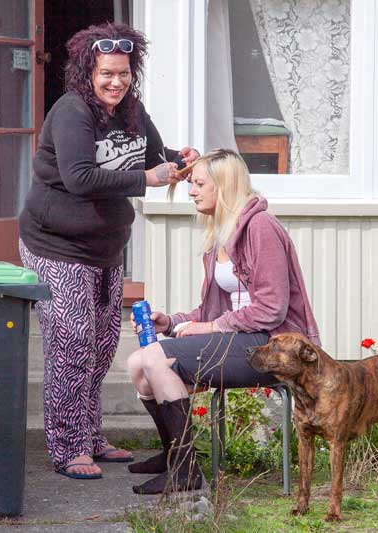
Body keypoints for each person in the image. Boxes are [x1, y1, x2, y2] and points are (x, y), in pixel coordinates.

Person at [18, 22, 199, 481]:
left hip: (105, 248)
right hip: (56, 245)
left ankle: (92, 435)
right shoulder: (72, 112)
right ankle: (67, 446)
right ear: (88, 72)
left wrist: (180, 159)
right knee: (72, 344)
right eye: (106, 74)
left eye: (122, 73)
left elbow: (154, 154)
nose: (115, 82)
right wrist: (146, 180)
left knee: (99, 347)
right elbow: (80, 177)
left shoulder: (132, 111)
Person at [126, 149, 320, 494]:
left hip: (273, 345)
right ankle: (174, 454)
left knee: (157, 359)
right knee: (138, 362)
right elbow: (211, 312)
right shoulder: (221, 234)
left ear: (225, 186)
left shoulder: (261, 228)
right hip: (243, 338)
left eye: (200, 184)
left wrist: (212, 328)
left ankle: (185, 471)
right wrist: (170, 322)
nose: (191, 191)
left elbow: (271, 310)